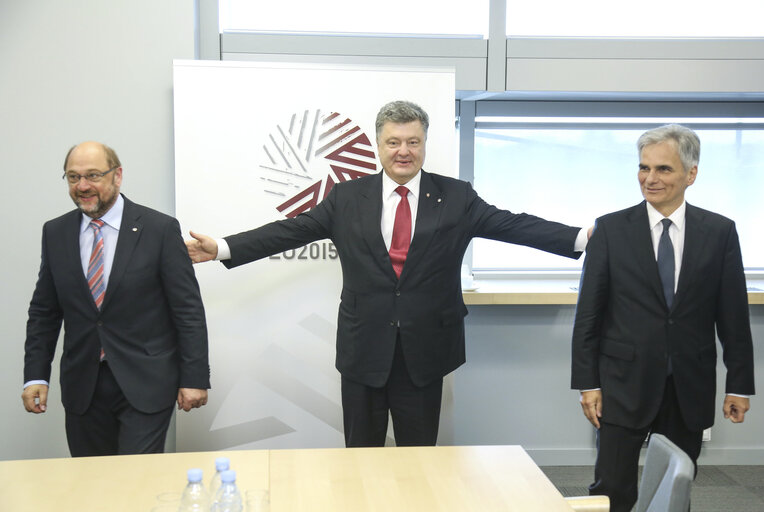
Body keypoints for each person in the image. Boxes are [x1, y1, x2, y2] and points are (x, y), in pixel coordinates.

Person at [187, 100, 586, 447]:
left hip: (426, 349)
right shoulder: (346, 197)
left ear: (425, 144)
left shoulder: (457, 197)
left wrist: (583, 238)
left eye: (413, 142)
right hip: (364, 348)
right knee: (362, 453)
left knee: (418, 455)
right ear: (378, 146)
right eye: (393, 142)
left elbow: (513, 225)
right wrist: (223, 247)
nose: (403, 151)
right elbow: (291, 231)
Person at [571, 124, 755, 512]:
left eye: (663, 169)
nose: (649, 179)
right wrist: (587, 383)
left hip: (689, 384)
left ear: (691, 174)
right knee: (612, 487)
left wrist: (739, 385)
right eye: (643, 168)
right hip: (622, 382)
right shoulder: (609, 229)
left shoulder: (720, 232)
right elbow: (588, 315)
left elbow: (734, 316)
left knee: (675, 487)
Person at [23, 141, 210, 457]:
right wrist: (35, 375)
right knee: (91, 485)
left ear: (117, 175)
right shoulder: (55, 232)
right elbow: (44, 311)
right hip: (83, 385)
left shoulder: (159, 229)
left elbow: (187, 309)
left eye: (93, 175)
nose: (83, 186)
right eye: (73, 177)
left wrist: (194, 377)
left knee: (137, 483)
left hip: (147, 382)